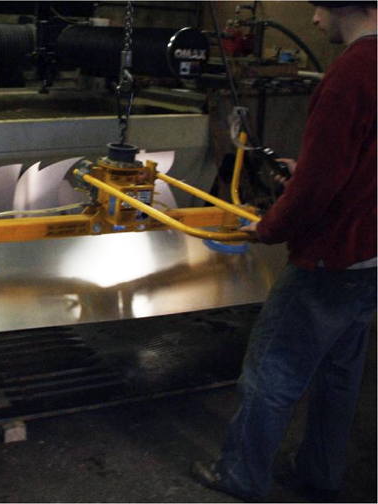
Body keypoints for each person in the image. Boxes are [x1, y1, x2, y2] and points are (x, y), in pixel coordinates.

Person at [190, 1, 377, 502]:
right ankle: (321, 474)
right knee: (339, 375)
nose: (315, 20)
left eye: (319, 7)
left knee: (273, 370)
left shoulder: (349, 75)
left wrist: (270, 226)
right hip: (371, 258)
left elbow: (319, 186)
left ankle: (240, 476)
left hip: (328, 259)